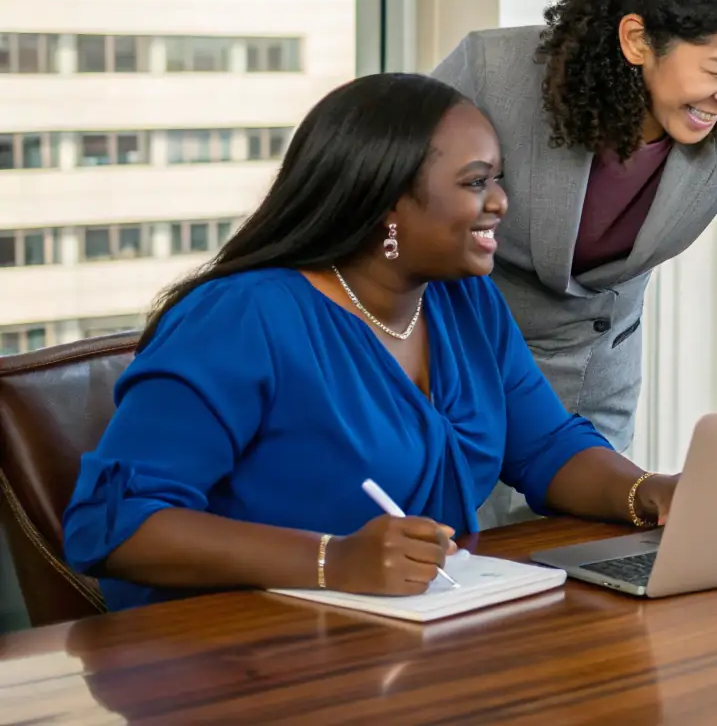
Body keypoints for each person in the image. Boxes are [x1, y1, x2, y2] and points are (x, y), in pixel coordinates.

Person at [62, 74, 678, 610]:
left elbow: (545, 445)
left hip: (409, 640)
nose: (500, 202)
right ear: (387, 203)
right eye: (475, 182)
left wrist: (645, 492)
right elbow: (113, 526)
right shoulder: (243, 318)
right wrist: (334, 561)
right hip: (230, 656)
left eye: (499, 179)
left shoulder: (462, 302)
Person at [432, 0, 717, 523]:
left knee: (574, 575)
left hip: (591, 378)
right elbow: (382, 196)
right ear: (638, 39)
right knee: (459, 555)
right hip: (460, 358)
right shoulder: (495, 72)